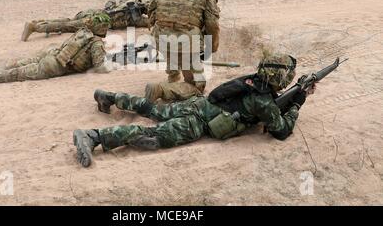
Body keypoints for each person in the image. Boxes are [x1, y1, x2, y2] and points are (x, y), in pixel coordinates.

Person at [73, 53, 314, 168]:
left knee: (154, 109)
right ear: (280, 78)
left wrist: (291, 95)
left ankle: (111, 97)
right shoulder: (264, 101)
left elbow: (263, 101)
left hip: (198, 104)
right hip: (196, 123)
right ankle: (94, 136)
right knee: (155, 137)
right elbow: (281, 131)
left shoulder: (252, 80)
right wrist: (296, 104)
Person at [0, 13, 113, 85]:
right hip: (53, 66)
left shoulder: (83, 32)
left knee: (15, 66)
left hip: (52, 54)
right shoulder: (97, 43)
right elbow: (101, 68)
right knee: (10, 76)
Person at [145, 0, 220, 102]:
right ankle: (161, 90)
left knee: (171, 47)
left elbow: (151, 16)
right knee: (197, 86)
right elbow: (212, 24)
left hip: (163, 40)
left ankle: (173, 74)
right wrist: (212, 46)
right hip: (187, 44)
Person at [21, 0, 149, 41]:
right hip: (96, 21)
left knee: (68, 21)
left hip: (92, 12)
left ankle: (38, 22)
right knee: (66, 26)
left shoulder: (127, 2)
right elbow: (148, 22)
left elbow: (111, 1)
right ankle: (35, 27)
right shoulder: (135, 18)